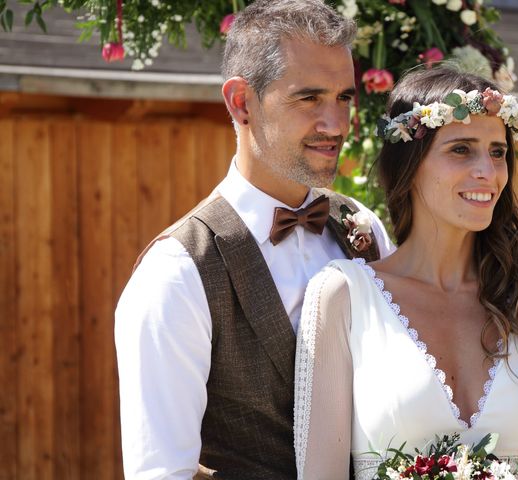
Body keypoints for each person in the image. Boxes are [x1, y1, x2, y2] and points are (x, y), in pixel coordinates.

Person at [294, 67, 518, 480]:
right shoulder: (343, 295)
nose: (488, 170)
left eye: (498, 151)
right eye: (462, 149)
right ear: (409, 164)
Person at [114, 1, 395, 478]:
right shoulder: (177, 274)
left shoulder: (363, 228)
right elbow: (163, 472)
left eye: (344, 98)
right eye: (309, 98)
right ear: (241, 102)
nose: (336, 124)